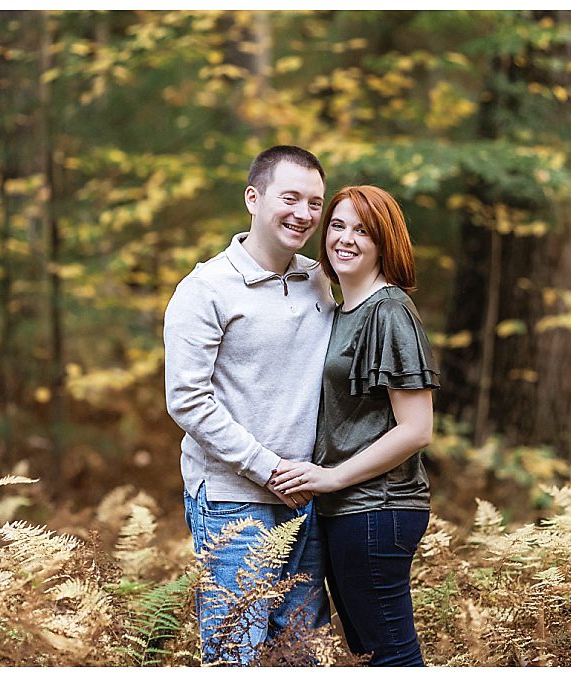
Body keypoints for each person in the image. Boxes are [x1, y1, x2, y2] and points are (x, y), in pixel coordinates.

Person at [164, 145, 333, 664]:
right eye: (291, 198)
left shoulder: (323, 283)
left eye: (315, 202)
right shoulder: (205, 289)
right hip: (233, 499)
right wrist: (268, 468)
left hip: (308, 497)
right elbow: (187, 400)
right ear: (253, 199)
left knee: (302, 655)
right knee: (237, 655)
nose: (304, 214)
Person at [268, 185, 438, 666]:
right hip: (345, 511)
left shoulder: (389, 312)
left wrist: (332, 477)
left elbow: (417, 428)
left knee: (392, 659)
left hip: (376, 509)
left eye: (362, 230)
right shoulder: (345, 308)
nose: (344, 239)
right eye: (337, 226)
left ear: (386, 241)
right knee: (367, 656)